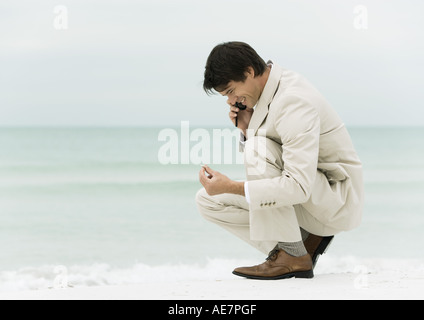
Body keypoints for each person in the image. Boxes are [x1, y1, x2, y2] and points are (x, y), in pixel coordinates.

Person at [196, 41, 364, 280]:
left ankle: (293, 254)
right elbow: (274, 157)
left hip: (333, 201)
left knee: (254, 152)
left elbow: (296, 185)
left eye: (231, 91)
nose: (231, 100)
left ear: (249, 72)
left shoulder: (292, 100)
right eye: (226, 96)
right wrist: (247, 128)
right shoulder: (270, 93)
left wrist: (232, 186)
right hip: (310, 193)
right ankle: (297, 247)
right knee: (208, 201)